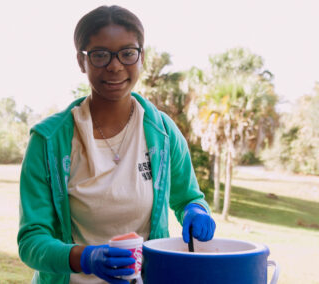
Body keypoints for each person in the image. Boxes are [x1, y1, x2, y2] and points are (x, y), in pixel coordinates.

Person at [17, 5, 216, 284]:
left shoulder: (163, 133)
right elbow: (31, 241)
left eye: (127, 53)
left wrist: (196, 211)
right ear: (81, 61)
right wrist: (85, 258)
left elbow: (188, 198)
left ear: (141, 57)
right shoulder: (48, 142)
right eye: (99, 55)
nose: (114, 65)